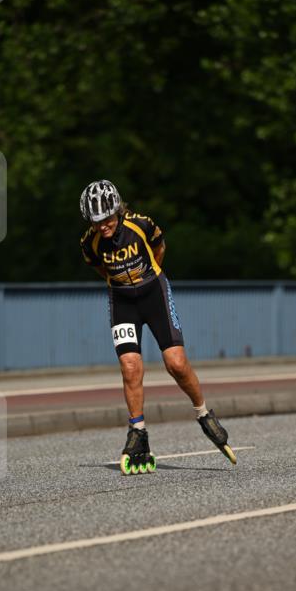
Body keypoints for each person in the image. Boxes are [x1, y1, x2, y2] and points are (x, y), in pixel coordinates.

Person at [79, 179, 236, 474]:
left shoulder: (142, 225)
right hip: (122, 299)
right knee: (130, 366)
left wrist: (146, 278)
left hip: (154, 293)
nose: (102, 226)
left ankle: (203, 414)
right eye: (95, 221)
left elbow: (159, 250)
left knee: (175, 363)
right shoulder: (90, 242)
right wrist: (123, 282)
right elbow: (100, 268)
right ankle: (138, 430)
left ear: (118, 210)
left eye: (107, 218)